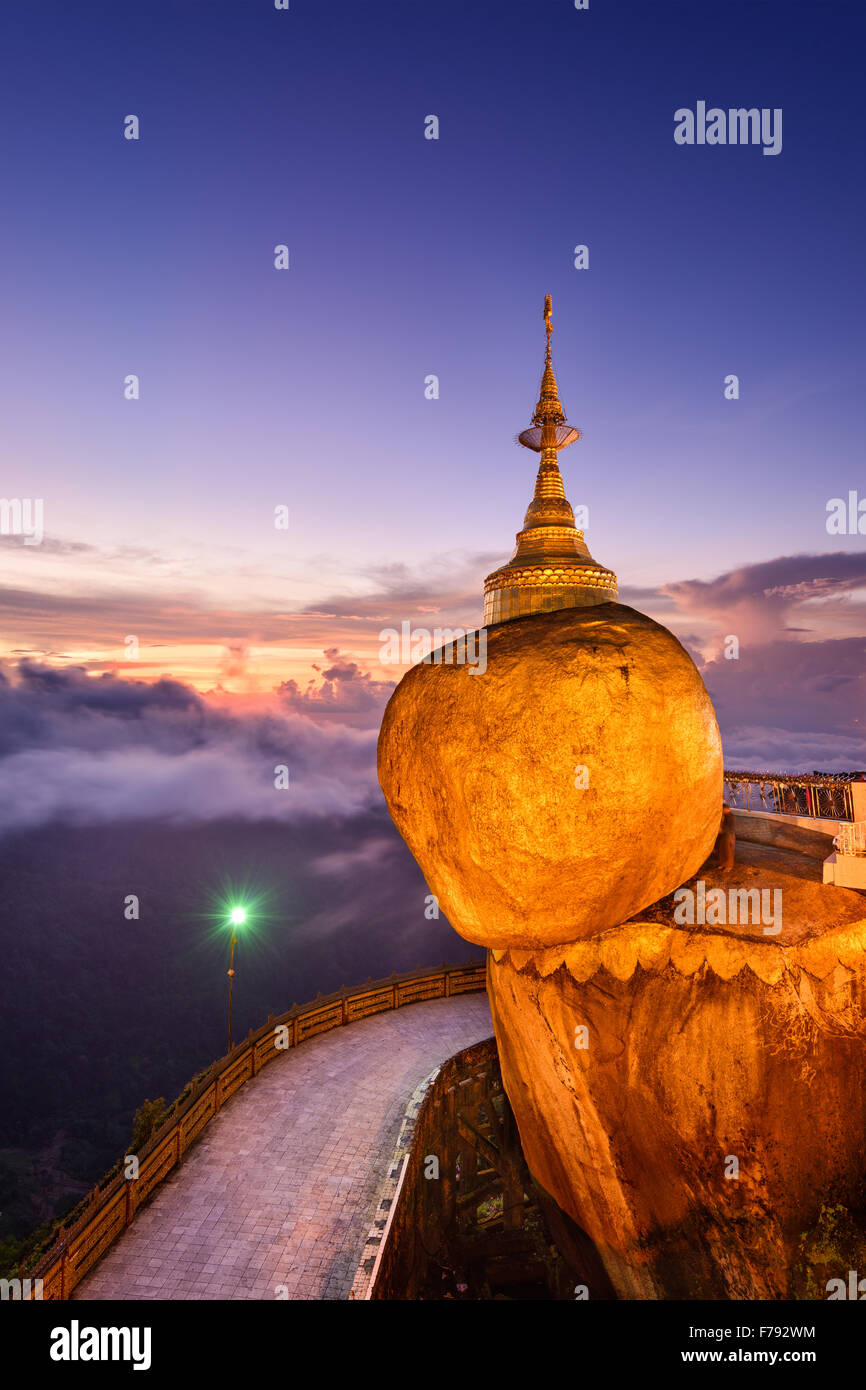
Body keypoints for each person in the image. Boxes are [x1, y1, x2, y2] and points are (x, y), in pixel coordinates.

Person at [717, 801, 735, 873]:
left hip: (728, 835)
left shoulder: (731, 816)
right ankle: (723, 864)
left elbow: (730, 827)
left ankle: (729, 866)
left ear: (726, 809)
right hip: (723, 834)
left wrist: (722, 830)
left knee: (728, 851)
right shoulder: (724, 815)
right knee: (722, 850)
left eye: (722, 809)